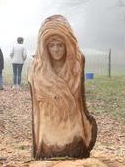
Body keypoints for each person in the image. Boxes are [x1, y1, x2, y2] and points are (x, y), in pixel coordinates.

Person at [28, 15, 96, 159]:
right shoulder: (37, 70)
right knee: (49, 149)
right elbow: (37, 107)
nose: (56, 49)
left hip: (72, 124)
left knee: (74, 147)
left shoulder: (75, 68)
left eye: (60, 45)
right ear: (45, 48)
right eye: (51, 46)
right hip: (48, 125)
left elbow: (80, 102)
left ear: (67, 45)